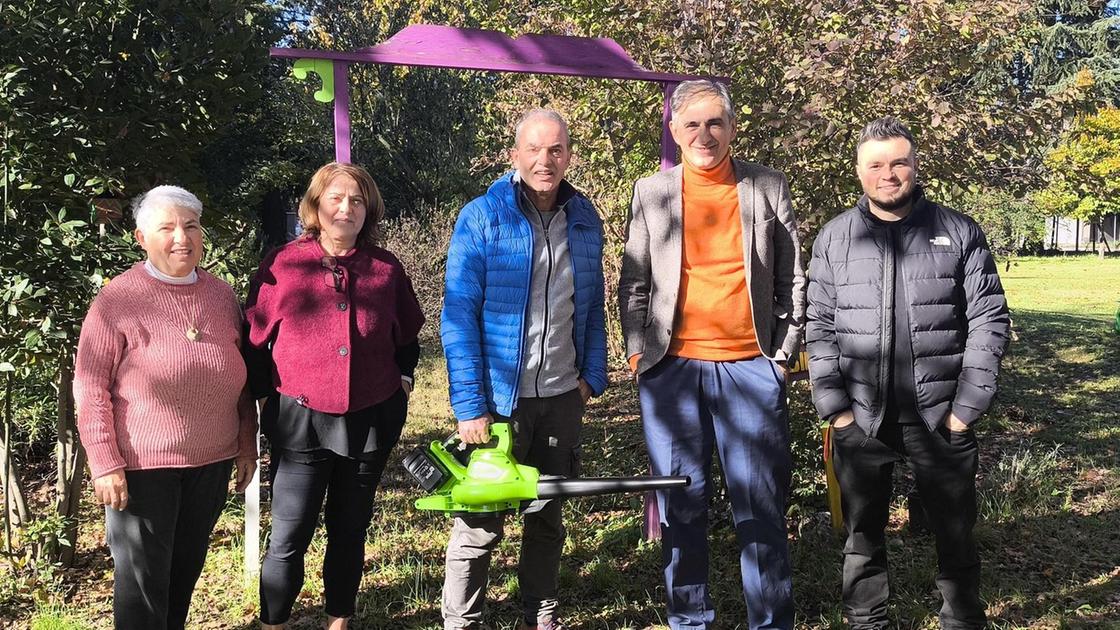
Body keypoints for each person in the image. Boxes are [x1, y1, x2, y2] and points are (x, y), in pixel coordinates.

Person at [806, 117, 1010, 629]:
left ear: (916, 165)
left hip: (940, 416)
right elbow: (820, 326)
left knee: (955, 535)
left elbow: (989, 319)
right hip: (862, 419)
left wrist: (966, 409)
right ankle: (866, 621)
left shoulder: (957, 231)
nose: (888, 174)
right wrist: (836, 410)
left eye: (899, 162)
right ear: (858, 170)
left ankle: (962, 620)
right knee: (861, 538)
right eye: (875, 164)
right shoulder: (835, 238)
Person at [618, 79, 805, 630]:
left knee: (760, 506)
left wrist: (784, 354)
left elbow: (795, 280)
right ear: (674, 132)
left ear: (732, 127)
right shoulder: (651, 192)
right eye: (692, 124)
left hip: (751, 367)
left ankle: (770, 620)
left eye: (715, 122)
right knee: (681, 505)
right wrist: (637, 354)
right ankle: (688, 619)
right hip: (671, 373)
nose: (704, 134)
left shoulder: (766, 186)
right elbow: (634, 283)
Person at [439, 108, 608, 630]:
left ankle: (540, 611)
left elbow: (592, 305)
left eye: (556, 150)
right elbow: (458, 313)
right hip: (498, 400)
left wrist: (590, 380)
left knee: (546, 517)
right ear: (514, 154)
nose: (545, 160)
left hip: (560, 396)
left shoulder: (583, 219)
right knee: (480, 519)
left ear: (569, 156)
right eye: (534, 149)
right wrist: (470, 405)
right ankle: (462, 621)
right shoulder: (482, 217)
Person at [244, 162, 425, 630]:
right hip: (300, 419)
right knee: (289, 535)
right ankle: (274, 623)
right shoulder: (283, 265)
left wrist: (402, 381)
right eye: (335, 198)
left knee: (350, 531)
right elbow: (255, 341)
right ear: (316, 206)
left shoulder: (385, 270)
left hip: (370, 417)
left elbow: (408, 338)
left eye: (357, 200)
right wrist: (266, 399)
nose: (346, 208)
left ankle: (339, 621)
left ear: (369, 210)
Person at [74, 185, 258, 630]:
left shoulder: (221, 296)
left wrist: (246, 440)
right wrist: (104, 463)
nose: (182, 237)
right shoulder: (118, 299)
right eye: (167, 227)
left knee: (182, 575)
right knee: (142, 589)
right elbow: (90, 384)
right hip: (141, 467)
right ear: (141, 238)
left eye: (191, 226)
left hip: (211, 462)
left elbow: (241, 377)